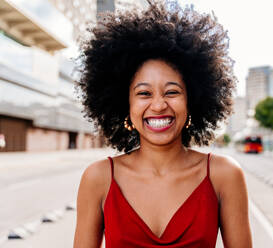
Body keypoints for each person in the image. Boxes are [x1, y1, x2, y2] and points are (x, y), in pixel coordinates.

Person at [73, 1, 252, 247]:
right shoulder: (98, 178)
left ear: (193, 100)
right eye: (144, 93)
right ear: (125, 105)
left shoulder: (224, 175)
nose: (158, 105)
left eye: (172, 92)